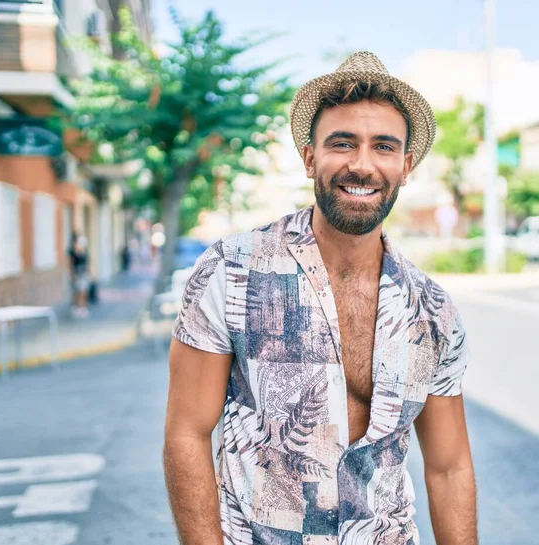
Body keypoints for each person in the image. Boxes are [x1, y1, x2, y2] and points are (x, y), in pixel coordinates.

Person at [164, 52, 477, 545]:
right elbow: (186, 433)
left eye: (384, 147)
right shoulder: (232, 270)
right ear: (310, 157)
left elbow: (448, 466)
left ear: (405, 165)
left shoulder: (432, 311)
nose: (362, 164)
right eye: (342, 143)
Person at [68, 232, 90, 318]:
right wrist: (72, 275)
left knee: (84, 291)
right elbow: (70, 264)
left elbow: (87, 263)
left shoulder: (84, 251)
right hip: (77, 274)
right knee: (77, 291)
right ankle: (77, 307)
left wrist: (89, 273)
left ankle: (83, 307)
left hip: (83, 273)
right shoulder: (72, 252)